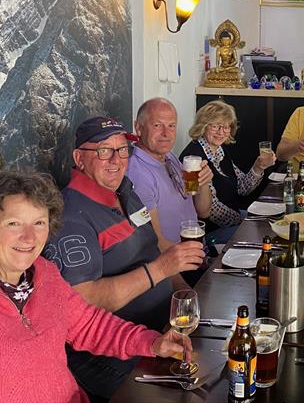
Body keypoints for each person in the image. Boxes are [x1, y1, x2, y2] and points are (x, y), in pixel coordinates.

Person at [0, 171, 192, 403]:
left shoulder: (43, 275)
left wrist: (152, 343)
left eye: (39, 223)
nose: (29, 236)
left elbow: (91, 325)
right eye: (14, 223)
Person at [46, 116, 205, 400]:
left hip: (163, 330)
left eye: (122, 150)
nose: (116, 160)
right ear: (79, 158)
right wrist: (160, 269)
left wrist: (187, 295)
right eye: (104, 150)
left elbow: (153, 252)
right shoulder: (71, 217)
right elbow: (84, 299)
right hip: (110, 355)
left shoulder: (125, 191)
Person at [179, 100, 276, 242]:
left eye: (226, 127)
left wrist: (258, 167)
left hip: (234, 217)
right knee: (263, 235)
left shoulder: (219, 150)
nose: (221, 132)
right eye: (215, 126)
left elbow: (242, 187)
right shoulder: (194, 159)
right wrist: (243, 221)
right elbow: (211, 210)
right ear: (203, 126)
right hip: (208, 232)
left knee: (271, 222)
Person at [127, 98, 214, 248]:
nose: (166, 133)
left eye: (171, 126)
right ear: (139, 128)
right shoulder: (137, 173)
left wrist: (204, 183)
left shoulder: (169, 156)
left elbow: (204, 211)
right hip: (177, 263)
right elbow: (155, 243)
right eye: (157, 125)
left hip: (197, 250)